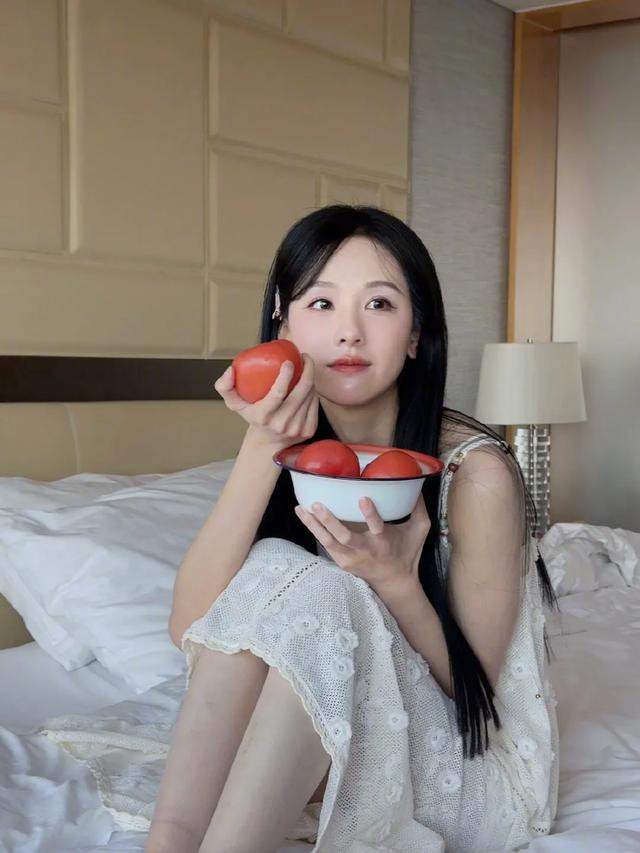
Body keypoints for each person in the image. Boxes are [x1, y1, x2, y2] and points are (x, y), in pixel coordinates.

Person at [147, 205, 560, 852]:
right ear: (282, 326)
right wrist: (261, 445)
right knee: (278, 564)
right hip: (346, 723)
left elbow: (474, 695)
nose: (349, 333)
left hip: (473, 762)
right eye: (321, 303)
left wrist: (396, 581)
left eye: (379, 304)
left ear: (415, 333)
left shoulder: (477, 475)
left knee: (323, 590)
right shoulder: (291, 452)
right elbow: (194, 629)